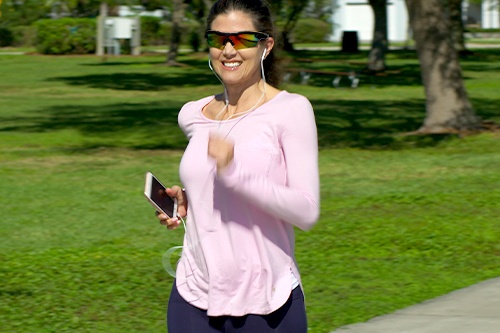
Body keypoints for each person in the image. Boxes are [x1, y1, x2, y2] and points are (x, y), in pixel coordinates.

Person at [156, 0, 320, 332]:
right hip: (194, 293)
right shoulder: (193, 114)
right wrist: (187, 199)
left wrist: (235, 174)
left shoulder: (291, 110)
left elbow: (307, 211)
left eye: (242, 39)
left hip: (266, 300)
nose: (229, 50)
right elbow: (210, 182)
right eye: (218, 39)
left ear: (266, 46)